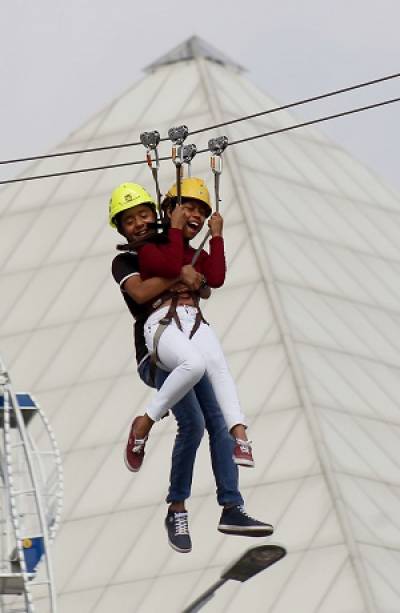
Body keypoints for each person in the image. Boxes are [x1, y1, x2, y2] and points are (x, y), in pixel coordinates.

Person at [110, 182, 274, 552]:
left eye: (143, 216)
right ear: (120, 229)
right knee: (194, 422)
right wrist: (182, 275)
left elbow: (210, 277)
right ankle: (177, 506)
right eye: (129, 220)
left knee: (215, 419)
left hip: (186, 343)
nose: (138, 223)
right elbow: (140, 292)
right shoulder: (127, 260)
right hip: (156, 356)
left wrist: (211, 243)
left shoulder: (176, 248)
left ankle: (232, 505)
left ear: (156, 214)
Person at [124, 177, 254, 471]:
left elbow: (217, 278)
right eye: (188, 208)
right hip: (164, 320)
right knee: (193, 366)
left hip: (192, 320)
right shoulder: (150, 248)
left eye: (201, 212)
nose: (194, 215)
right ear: (170, 211)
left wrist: (217, 235)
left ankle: (240, 433)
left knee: (218, 367)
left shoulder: (197, 254)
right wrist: (173, 234)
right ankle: (145, 422)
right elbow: (169, 266)